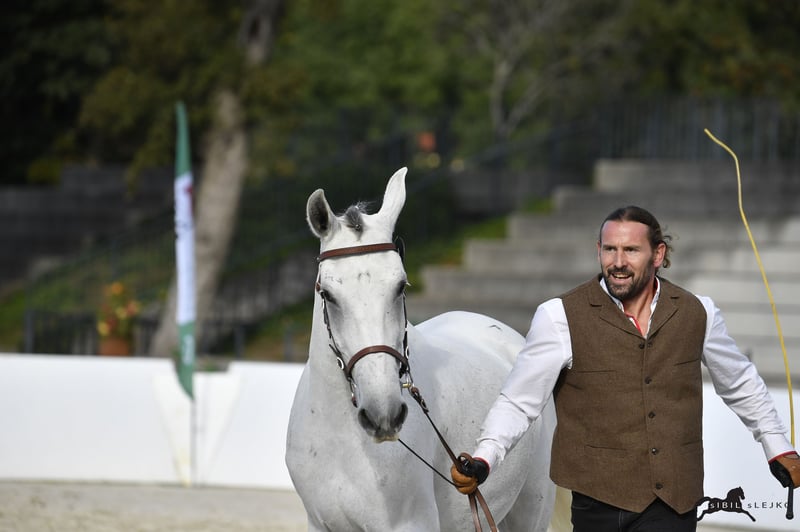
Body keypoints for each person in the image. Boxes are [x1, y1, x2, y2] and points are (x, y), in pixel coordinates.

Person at [451, 205, 800, 531]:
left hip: (675, 500)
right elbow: (519, 401)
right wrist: (484, 458)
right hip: (596, 501)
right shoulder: (559, 317)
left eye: (631, 250)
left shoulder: (698, 312)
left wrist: (777, 445)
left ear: (658, 255)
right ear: (598, 250)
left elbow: (740, 382)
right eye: (609, 250)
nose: (618, 262)